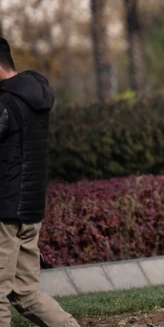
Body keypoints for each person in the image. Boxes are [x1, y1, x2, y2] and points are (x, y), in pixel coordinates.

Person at [0, 38, 81, 327]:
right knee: (25, 293)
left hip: (5, 212)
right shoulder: (34, 96)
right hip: (30, 210)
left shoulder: (6, 103)